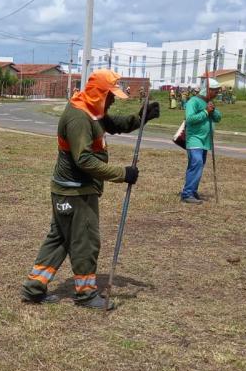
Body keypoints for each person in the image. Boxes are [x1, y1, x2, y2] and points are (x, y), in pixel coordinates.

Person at [21, 69, 160, 310]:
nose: (113, 100)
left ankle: (34, 288)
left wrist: (141, 118)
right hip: (75, 191)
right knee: (85, 241)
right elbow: (83, 160)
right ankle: (85, 294)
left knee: (60, 239)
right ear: (99, 94)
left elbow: (113, 124)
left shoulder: (91, 110)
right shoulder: (79, 118)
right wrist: (122, 174)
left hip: (70, 190)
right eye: (111, 95)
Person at [180, 78, 222, 204]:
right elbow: (190, 119)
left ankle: (192, 191)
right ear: (208, 90)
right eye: (215, 91)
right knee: (197, 163)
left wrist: (212, 111)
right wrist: (205, 112)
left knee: (197, 166)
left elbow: (218, 118)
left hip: (205, 141)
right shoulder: (193, 101)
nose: (217, 94)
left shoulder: (209, 102)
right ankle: (187, 194)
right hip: (194, 139)